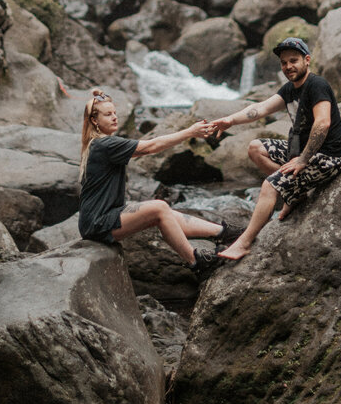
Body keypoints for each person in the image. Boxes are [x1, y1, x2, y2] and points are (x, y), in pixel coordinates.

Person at [206, 37, 341, 261]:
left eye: (293, 60)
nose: (288, 66)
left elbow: (323, 123)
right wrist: (229, 120)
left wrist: (301, 161)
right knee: (255, 148)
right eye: (284, 63)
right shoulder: (290, 89)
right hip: (302, 153)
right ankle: (295, 194)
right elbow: (260, 109)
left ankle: (244, 243)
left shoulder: (317, 84)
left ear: (307, 60)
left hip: (327, 156)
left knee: (270, 185)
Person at [78, 89, 240, 278]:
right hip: (98, 223)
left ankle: (225, 232)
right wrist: (190, 132)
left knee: (166, 213)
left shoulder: (100, 144)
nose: (114, 117)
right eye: (108, 114)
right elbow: (150, 147)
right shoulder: (104, 145)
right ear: (94, 121)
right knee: (159, 207)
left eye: (115, 113)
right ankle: (196, 262)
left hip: (103, 217)